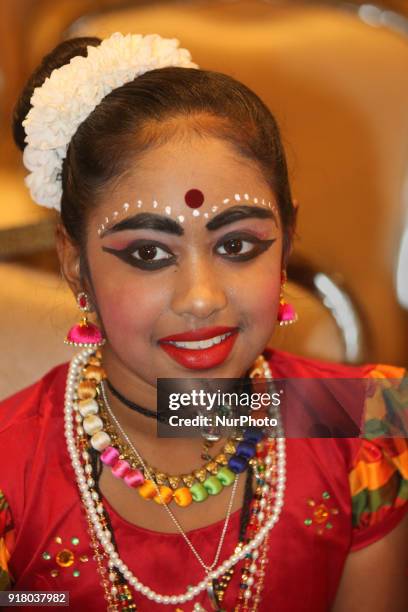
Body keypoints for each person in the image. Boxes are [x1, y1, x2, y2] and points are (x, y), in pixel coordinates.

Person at [0, 32, 407, 612]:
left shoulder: (361, 427)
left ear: (287, 242)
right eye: (147, 254)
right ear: (74, 263)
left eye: (238, 244)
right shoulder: (14, 472)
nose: (200, 298)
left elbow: (189, 411)